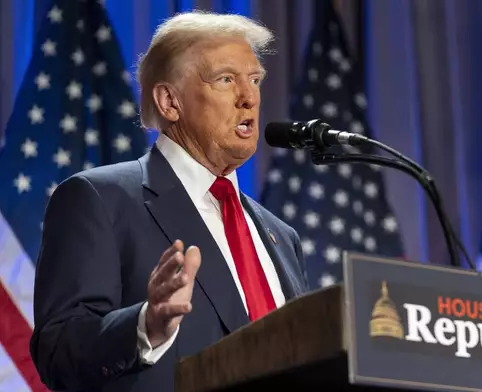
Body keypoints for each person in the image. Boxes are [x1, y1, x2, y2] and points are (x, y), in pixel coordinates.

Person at [29, 11, 309, 392]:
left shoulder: (282, 236)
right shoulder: (99, 199)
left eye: (255, 79)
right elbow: (58, 351)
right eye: (226, 80)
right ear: (169, 101)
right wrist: (147, 324)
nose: (249, 98)